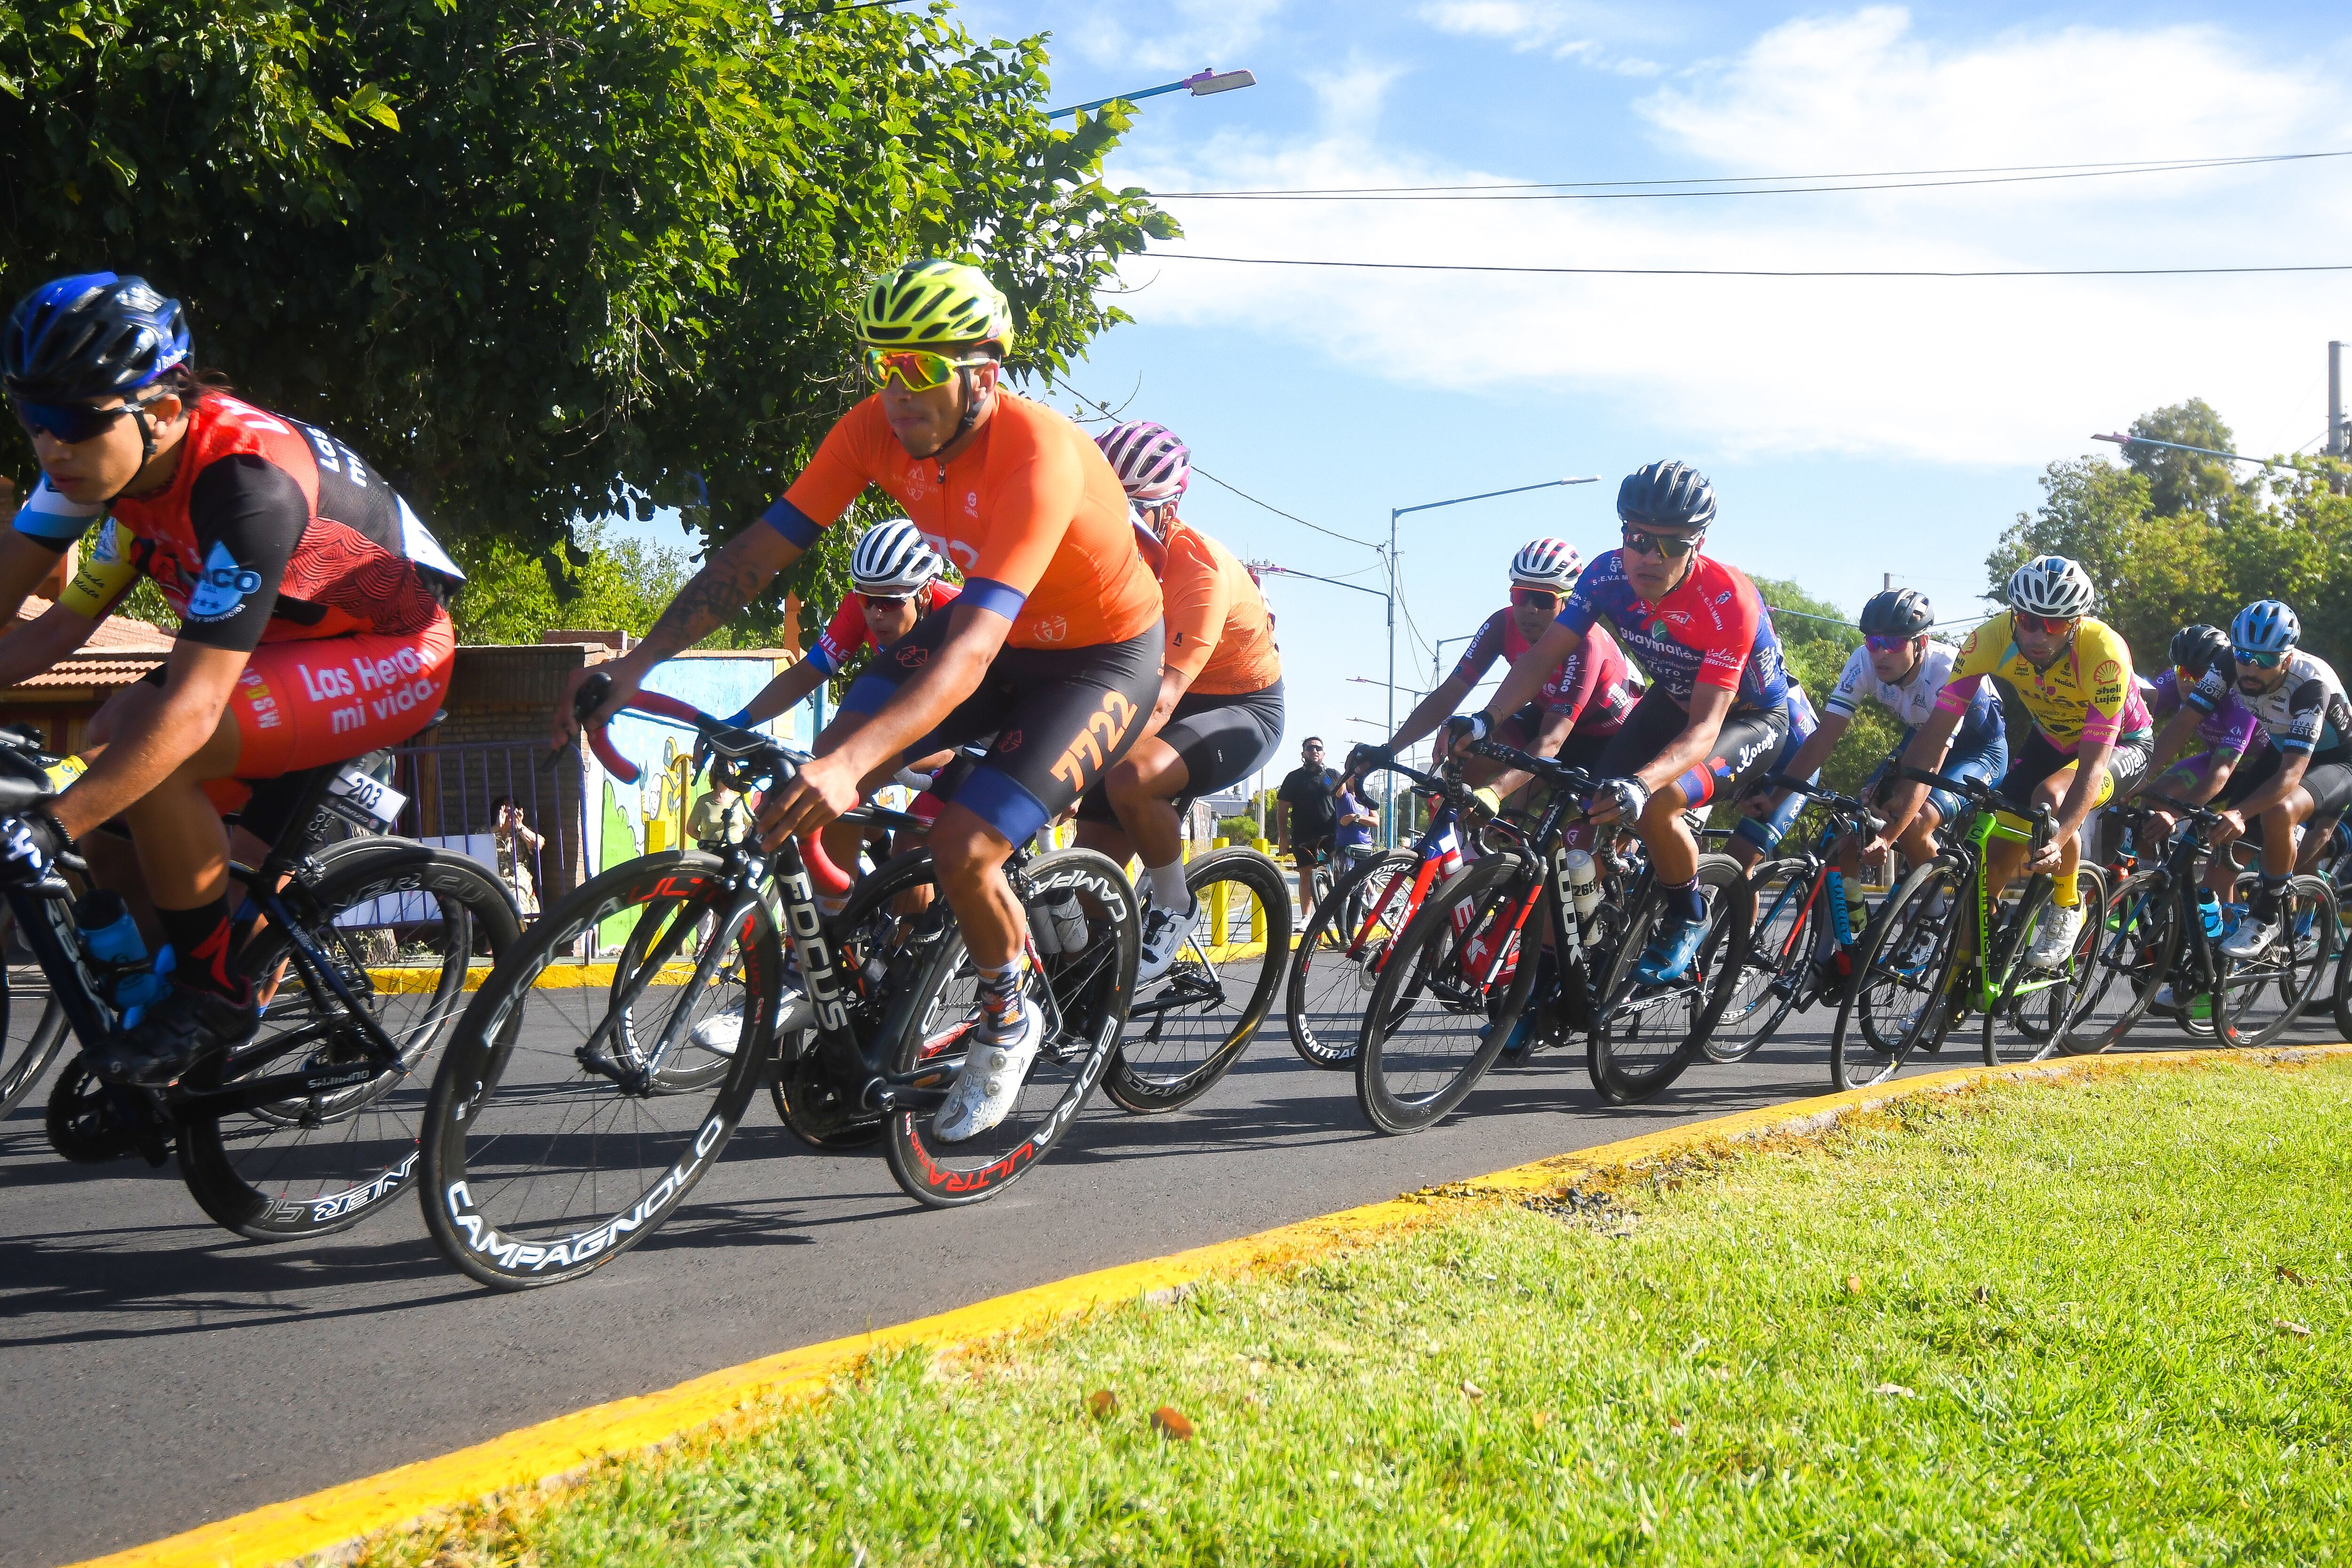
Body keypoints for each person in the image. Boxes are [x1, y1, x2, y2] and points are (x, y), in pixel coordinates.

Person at [552, 258, 1162, 1144]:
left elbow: (973, 646)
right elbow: (759, 552)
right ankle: (834, 962)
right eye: (885, 364)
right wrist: (640, 661)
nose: (897, 392)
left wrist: (851, 766)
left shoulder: (1040, 455)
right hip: (998, 644)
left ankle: (1007, 1012)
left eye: (920, 369)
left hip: (1100, 660)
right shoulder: (875, 428)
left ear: (981, 375)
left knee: (964, 840)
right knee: (810, 783)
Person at [0, 272, 463, 1085]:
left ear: (166, 411)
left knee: (157, 750)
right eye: (31, 419)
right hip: (276, 653)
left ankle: (214, 993)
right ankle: (157, 1004)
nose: (49, 447)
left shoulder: (247, 488)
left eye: (71, 420)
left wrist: (49, 827)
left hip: (395, 650)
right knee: (112, 744)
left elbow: (193, 708)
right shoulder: (99, 466)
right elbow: (49, 628)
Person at [1463, 461, 1809, 984]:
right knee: (1578, 832)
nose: (1648, 556)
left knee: (1657, 804)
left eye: (1668, 545)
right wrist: (1487, 718)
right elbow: (1540, 659)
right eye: (1637, 538)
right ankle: (1552, 980)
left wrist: (1641, 783)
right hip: (1669, 700)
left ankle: (1687, 915)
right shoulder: (1604, 575)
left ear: (1697, 543)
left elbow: (1705, 726)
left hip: (1747, 717)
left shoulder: (1728, 600)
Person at [1069, 421, 1284, 980]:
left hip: (1240, 706)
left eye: (1130, 512)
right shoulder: (1102, 556)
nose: (1114, 526)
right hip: (1156, 691)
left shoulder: (1199, 570)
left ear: (1166, 509)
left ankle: (1173, 902)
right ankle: (1087, 1002)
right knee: (1088, 875)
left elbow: (1163, 701)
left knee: (1130, 779)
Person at [1869, 555, 2153, 970]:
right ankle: (1957, 990)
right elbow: (1936, 733)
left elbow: (2091, 767)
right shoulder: (1988, 641)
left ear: (2075, 623)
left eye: (2054, 624)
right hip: (2051, 739)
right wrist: (1899, 795)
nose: (2038, 634)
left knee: (2049, 798)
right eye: (2027, 620)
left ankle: (2068, 904)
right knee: (1986, 868)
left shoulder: (2105, 652)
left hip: (2122, 746)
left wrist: (2058, 840)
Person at [1748, 588, 2007, 947]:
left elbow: (1931, 761)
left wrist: (1890, 836)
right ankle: (1855, 925)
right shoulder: (1863, 662)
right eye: (1873, 641)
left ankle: (1931, 918)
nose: (1881, 652)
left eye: (1893, 642)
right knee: (1857, 821)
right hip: (1920, 735)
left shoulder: (1947, 670)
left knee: (1913, 824)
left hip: (1979, 751)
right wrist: (1777, 797)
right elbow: (1823, 738)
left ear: (1921, 643)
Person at [727, 516, 962, 887]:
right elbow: (807, 673)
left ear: (925, 594)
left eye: (889, 601)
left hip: (968, 730)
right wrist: (738, 722)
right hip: (909, 708)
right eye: (866, 598)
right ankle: (840, 923)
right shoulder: (861, 609)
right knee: (829, 752)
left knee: (911, 848)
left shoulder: (962, 614)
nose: (875, 613)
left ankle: (912, 928)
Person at [1379, 538, 1640, 812]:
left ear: (1569, 602)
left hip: (1608, 736)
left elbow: (1553, 740)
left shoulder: (1585, 643)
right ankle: (1462, 850)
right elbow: (1449, 693)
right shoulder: (1502, 624)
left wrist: (1496, 792)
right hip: (1548, 718)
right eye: (1520, 596)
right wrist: (1388, 750)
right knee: (1468, 757)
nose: (1530, 609)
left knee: (1584, 837)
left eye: (1543, 600)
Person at [2181, 601, 2352, 958]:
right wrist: (2140, 781)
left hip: (2336, 762)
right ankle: (2207, 972)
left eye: (2265, 659)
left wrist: (2241, 813)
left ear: (2287, 659)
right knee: (2222, 858)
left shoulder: (2311, 685)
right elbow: (2183, 724)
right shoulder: (2228, 662)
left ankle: (2269, 915)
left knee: (2280, 814)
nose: (2251, 667)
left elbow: (2291, 774)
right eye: (2244, 655)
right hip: (2286, 747)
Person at [2139, 623, 2262, 813]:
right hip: (2214, 761)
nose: (2188, 680)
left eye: (2199, 674)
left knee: (2244, 837)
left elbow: (2222, 772)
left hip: (2258, 770)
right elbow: (2133, 719)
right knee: (2153, 800)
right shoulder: (2172, 681)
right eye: (2182, 671)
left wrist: (2176, 814)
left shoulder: (2241, 701)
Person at [1275, 737, 1340, 914]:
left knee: (1339, 871)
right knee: (1306, 875)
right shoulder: (1293, 778)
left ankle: (1340, 912)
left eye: (1319, 748)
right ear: (1303, 754)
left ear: (1324, 754)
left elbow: (1347, 798)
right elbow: (1282, 810)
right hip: (1303, 835)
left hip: (1331, 834)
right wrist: (1283, 837)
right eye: (1310, 748)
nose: (1315, 751)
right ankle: (1306, 917)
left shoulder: (1332, 776)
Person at [490, 796, 544, 915]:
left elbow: (538, 843)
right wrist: (497, 827)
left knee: (516, 898)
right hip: (494, 880)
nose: (510, 814)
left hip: (518, 882)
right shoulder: (489, 831)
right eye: (506, 810)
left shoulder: (522, 832)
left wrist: (520, 827)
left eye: (513, 810)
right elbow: (476, 842)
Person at [687, 763, 755, 849]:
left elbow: (753, 824)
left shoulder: (739, 801)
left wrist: (741, 839)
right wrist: (707, 842)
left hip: (734, 854)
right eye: (727, 774)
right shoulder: (703, 801)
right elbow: (691, 830)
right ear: (717, 775)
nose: (730, 778)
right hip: (711, 856)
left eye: (732, 774)